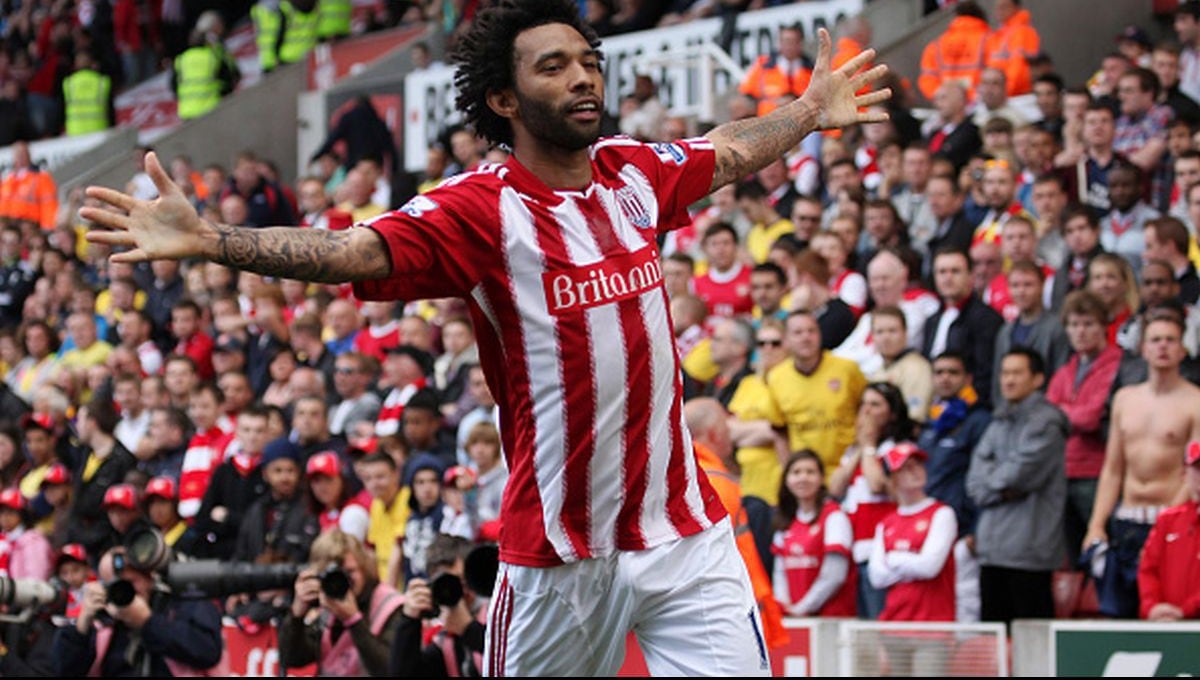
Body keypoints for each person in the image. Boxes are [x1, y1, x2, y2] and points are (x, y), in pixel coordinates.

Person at [80, 0, 891, 672]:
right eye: (553, 66)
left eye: (587, 60)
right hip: (560, 559)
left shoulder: (632, 172)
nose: (582, 77)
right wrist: (216, 238)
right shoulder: (479, 209)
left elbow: (726, 152)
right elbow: (353, 250)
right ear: (503, 99)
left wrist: (810, 111)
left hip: (684, 534)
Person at [1085, 310, 1200, 618]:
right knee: (1117, 612)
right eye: (1155, 340)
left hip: (1170, 518)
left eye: (1170, 340)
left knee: (1165, 612)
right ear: (1142, 348)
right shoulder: (1125, 399)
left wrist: (1170, 520)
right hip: (1127, 517)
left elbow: (1194, 472)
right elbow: (1112, 468)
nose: (1162, 347)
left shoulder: (1195, 402)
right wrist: (1097, 524)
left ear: (1182, 348)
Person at [967, 347, 1068, 625]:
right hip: (992, 549)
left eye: (1017, 373)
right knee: (996, 644)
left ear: (1037, 379)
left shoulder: (1046, 422)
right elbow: (975, 479)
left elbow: (1020, 475)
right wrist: (994, 487)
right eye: (1005, 373)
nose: (1009, 380)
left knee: (1031, 645)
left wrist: (991, 483)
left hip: (1029, 551)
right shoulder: (998, 420)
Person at [51, 545, 225, 676]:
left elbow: (207, 651)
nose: (129, 592)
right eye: (117, 585)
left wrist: (147, 622)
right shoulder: (103, 624)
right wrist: (82, 625)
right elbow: (65, 671)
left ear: (150, 577)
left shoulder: (180, 603)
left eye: (132, 581)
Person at [1046, 290, 1125, 570]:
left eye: (1089, 324)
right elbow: (1047, 415)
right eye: (1075, 324)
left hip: (1096, 472)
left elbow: (1093, 417)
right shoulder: (1066, 370)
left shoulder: (1117, 365)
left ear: (1104, 325)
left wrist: (1062, 410)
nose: (1081, 332)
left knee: (1100, 550)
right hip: (1063, 472)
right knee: (1069, 556)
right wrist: (1068, 412)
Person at [866, 442, 957, 675]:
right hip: (894, 627)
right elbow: (876, 577)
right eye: (906, 467)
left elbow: (930, 567)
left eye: (917, 465)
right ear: (892, 478)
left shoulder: (942, 513)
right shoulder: (886, 524)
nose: (915, 471)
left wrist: (894, 559)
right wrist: (911, 561)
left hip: (933, 629)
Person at [279, 529, 404, 675]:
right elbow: (292, 658)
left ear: (363, 567)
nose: (341, 581)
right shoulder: (327, 602)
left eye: (350, 572)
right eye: (332, 574)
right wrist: (296, 615)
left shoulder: (390, 605)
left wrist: (354, 620)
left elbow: (391, 669)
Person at [771, 449, 856, 617]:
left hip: (830, 620)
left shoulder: (834, 517)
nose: (803, 478)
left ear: (821, 478)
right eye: (796, 472)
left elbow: (834, 575)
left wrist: (802, 609)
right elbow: (779, 573)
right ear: (786, 480)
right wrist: (784, 606)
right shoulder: (785, 523)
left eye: (810, 472)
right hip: (796, 619)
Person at [390, 534, 489, 676]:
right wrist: (409, 620)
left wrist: (469, 630)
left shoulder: (495, 615)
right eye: (446, 584)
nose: (458, 591)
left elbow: (512, 656)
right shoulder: (444, 641)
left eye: (461, 581)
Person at [1137, 440, 1200, 621]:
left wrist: (1186, 610)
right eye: (1197, 468)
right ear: (1184, 473)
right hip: (1165, 623)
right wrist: (1152, 607)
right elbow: (1148, 569)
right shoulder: (1168, 520)